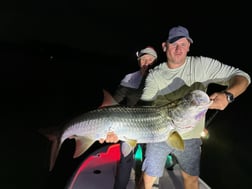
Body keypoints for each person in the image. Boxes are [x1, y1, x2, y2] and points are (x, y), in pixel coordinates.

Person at [136, 25, 251, 189]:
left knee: (191, 180)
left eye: (183, 44)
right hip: (159, 135)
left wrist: (228, 95)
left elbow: (242, 77)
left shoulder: (202, 65)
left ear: (189, 46)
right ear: (164, 46)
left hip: (191, 137)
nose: (179, 49)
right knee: (146, 180)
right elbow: (143, 110)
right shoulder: (155, 75)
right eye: (174, 43)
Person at [99, 46, 158, 189]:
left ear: (155, 62)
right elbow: (114, 101)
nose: (147, 63)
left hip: (152, 127)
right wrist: (100, 123)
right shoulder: (130, 78)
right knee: (125, 160)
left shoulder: (161, 79)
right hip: (128, 127)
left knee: (149, 161)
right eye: (143, 59)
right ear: (139, 62)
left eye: (150, 60)